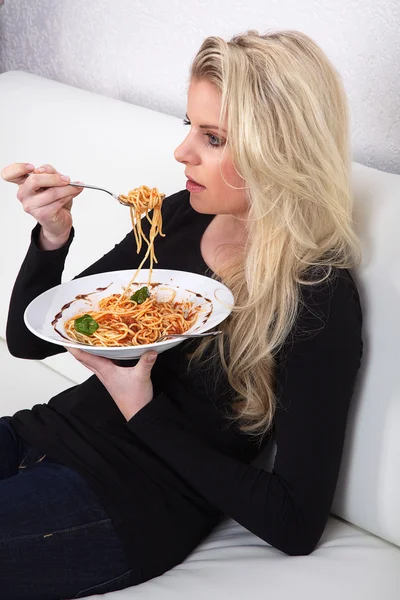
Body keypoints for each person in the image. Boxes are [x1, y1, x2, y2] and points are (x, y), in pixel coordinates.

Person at [0, 29, 363, 600]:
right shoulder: (176, 215)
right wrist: (52, 236)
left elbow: (295, 524)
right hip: (40, 433)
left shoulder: (315, 292)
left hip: (122, 502)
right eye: (188, 125)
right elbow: (31, 341)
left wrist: (141, 409)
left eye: (213, 136)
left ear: (280, 150)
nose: (181, 152)